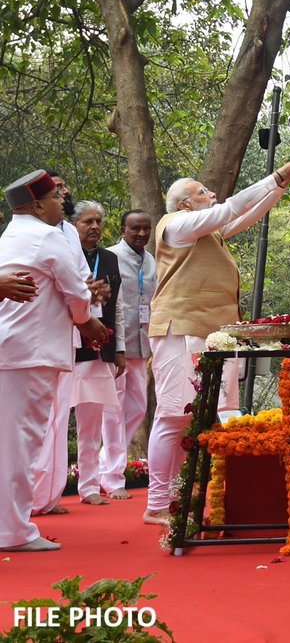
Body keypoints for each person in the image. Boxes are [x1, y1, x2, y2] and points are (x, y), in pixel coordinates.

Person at [143, 155, 290, 525]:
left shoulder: (207, 233)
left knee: (204, 416)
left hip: (208, 334)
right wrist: (277, 174)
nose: (212, 195)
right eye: (204, 192)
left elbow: (245, 215)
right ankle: (157, 504)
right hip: (180, 331)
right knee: (173, 416)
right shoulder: (175, 226)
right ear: (185, 204)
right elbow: (230, 209)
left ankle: (182, 496)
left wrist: (279, 187)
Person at [0, 171, 107, 551]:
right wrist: (88, 321)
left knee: (9, 442)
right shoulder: (48, 236)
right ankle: (13, 531)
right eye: (54, 197)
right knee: (22, 444)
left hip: (13, 350)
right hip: (32, 354)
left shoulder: (10, 236)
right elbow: (77, 296)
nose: (62, 202)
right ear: (35, 205)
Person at [31, 171, 109, 518]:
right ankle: (28, 499)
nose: (62, 194)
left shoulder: (66, 235)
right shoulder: (30, 234)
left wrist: (91, 298)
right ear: (38, 201)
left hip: (67, 336)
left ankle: (48, 495)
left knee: (58, 419)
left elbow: (81, 281)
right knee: (33, 422)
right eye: (56, 190)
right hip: (33, 338)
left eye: (64, 189)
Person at [70, 201, 125, 506]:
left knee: (91, 423)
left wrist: (119, 350)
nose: (94, 227)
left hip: (98, 350)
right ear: (73, 225)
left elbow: (117, 306)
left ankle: (89, 487)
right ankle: (43, 493)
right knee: (50, 425)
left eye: (98, 221)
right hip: (65, 348)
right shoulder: (64, 255)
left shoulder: (109, 259)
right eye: (86, 221)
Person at [98, 209, 155, 500]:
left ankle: (103, 462)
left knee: (137, 408)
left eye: (146, 228)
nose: (142, 234)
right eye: (135, 229)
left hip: (142, 346)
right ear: (122, 231)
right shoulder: (110, 257)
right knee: (113, 410)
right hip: (116, 347)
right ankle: (112, 477)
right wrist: (112, 346)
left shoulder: (151, 260)